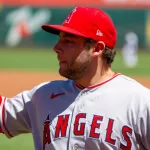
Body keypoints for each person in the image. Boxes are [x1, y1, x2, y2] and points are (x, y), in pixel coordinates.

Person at [0, 6, 150, 150]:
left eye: (69, 41)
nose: (56, 48)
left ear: (97, 48)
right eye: (60, 39)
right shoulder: (42, 96)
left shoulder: (139, 102)